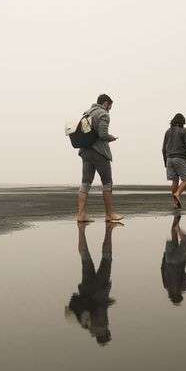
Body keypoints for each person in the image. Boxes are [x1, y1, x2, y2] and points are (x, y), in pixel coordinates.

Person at [65, 221, 121, 346]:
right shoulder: (87, 326)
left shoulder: (102, 325)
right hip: (86, 290)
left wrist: (109, 301)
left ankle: (109, 230)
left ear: (105, 334)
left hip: (101, 288)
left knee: (107, 257)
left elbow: (99, 307)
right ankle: (81, 230)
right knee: (85, 259)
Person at [76, 94, 123, 223]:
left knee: (85, 183)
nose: (109, 110)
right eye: (110, 107)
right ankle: (109, 214)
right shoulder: (103, 114)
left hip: (85, 151)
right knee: (107, 182)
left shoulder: (87, 113)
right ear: (106, 103)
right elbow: (102, 134)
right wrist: (111, 137)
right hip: (99, 152)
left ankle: (81, 215)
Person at [162, 113, 186, 209]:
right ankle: (178, 193)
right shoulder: (184, 131)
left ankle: (175, 203)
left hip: (169, 159)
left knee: (175, 181)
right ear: (183, 121)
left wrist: (165, 161)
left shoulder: (168, 131)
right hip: (180, 157)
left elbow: (163, 148)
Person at [161, 214, 186, 304]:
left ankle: (178, 228)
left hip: (179, 261)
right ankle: (176, 217)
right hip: (168, 260)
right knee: (174, 238)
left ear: (179, 295)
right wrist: (164, 256)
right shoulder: (166, 286)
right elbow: (162, 269)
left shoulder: (182, 288)